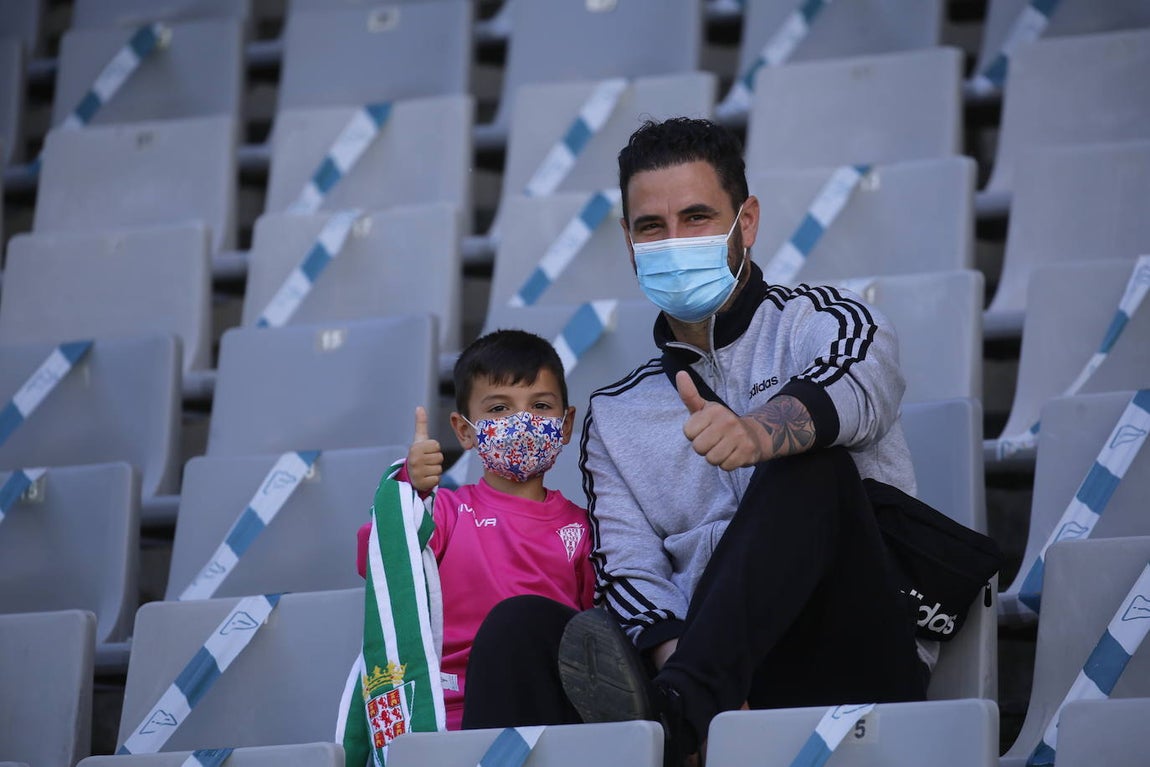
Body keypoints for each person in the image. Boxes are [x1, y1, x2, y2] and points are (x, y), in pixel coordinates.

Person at [460, 118, 929, 763]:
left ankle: (677, 719)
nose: (673, 241)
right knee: (518, 629)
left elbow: (865, 386)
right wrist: (683, 662)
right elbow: (627, 572)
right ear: (627, 240)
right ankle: (682, 710)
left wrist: (758, 433)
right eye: (651, 227)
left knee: (809, 467)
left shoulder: (828, 319)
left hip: (847, 647)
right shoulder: (614, 415)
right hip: (695, 671)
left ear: (748, 221)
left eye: (698, 217)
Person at [355, 328, 595, 730]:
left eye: (540, 405)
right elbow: (375, 556)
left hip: (548, 708)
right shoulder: (446, 511)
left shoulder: (583, 527)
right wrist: (407, 487)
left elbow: (592, 636)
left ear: (566, 425)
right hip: (450, 714)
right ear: (464, 430)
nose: (522, 422)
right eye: (499, 409)